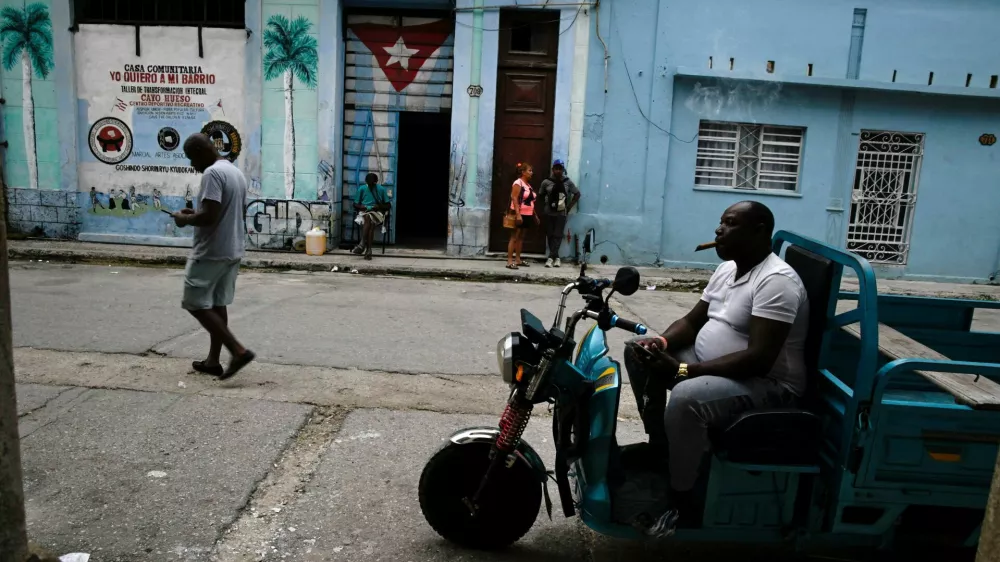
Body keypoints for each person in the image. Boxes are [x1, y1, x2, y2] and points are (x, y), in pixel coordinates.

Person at [623, 200, 809, 537]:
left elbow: (759, 359)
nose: (718, 230)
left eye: (730, 223)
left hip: (768, 384)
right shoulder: (727, 269)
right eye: (721, 221)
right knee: (638, 349)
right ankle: (662, 445)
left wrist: (683, 371)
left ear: (759, 231)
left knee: (686, 398)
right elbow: (692, 321)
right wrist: (661, 343)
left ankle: (682, 499)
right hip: (715, 366)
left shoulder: (776, 281)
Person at [170, 134, 255, 380]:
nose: (191, 165)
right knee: (218, 304)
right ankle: (213, 361)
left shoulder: (212, 173)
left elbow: (210, 216)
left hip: (211, 251)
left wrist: (185, 219)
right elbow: (222, 211)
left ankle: (238, 351)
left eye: (191, 158)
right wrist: (195, 213)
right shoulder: (234, 172)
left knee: (195, 303)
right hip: (232, 249)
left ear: (200, 151)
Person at [539, 159, 580, 268]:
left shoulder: (567, 182)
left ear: (563, 170)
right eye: (556, 169)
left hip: (561, 213)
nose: (558, 171)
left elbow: (577, 194)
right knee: (550, 234)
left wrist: (569, 207)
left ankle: (550, 258)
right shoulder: (546, 182)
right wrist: (544, 206)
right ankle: (556, 257)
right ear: (552, 169)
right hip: (549, 212)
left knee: (558, 234)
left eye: (560, 169)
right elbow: (540, 195)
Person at [505, 162, 539, 270]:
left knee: (521, 238)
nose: (531, 173)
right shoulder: (518, 183)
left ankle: (518, 259)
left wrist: (535, 215)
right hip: (519, 214)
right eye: (529, 170)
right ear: (523, 172)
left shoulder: (528, 186)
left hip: (527, 214)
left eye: (531, 171)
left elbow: (530, 202)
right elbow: (514, 198)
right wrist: (518, 214)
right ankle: (509, 261)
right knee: (514, 237)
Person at [352, 173, 391, 260]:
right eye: (369, 184)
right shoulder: (362, 189)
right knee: (370, 220)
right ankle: (369, 250)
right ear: (366, 182)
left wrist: (379, 206)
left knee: (369, 218)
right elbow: (355, 204)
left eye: (372, 184)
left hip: (377, 213)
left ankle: (362, 244)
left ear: (376, 182)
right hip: (364, 212)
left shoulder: (381, 189)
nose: (371, 185)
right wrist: (362, 207)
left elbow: (388, 205)